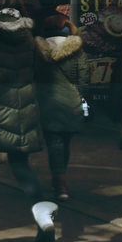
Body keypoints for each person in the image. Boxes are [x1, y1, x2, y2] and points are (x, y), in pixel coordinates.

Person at [0, 0, 53, 242]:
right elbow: (41, 72)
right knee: (21, 165)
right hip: (24, 107)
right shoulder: (27, 35)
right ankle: (42, 212)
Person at [34, 14, 89, 201]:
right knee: (65, 142)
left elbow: (35, 77)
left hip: (47, 102)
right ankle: (60, 179)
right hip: (72, 102)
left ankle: (59, 182)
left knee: (54, 143)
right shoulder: (77, 51)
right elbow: (83, 80)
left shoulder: (38, 51)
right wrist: (82, 99)